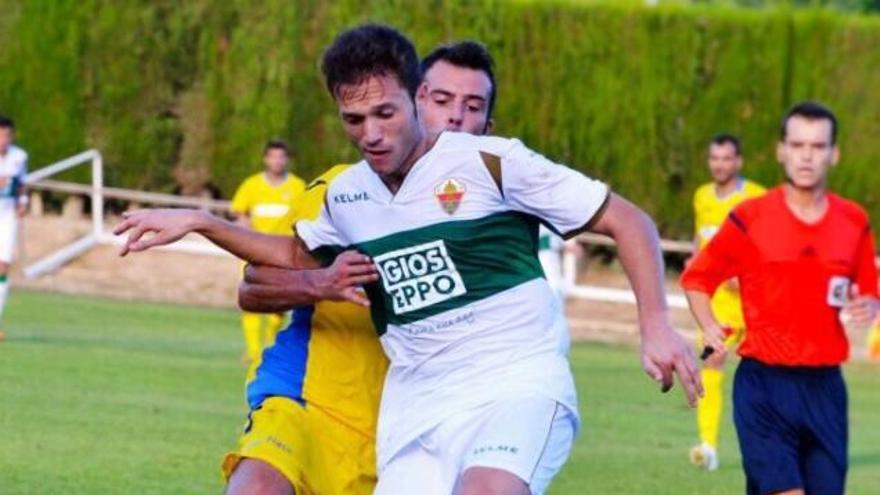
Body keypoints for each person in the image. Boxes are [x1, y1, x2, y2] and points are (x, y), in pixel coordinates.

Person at [114, 24, 701, 495]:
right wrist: (200, 221)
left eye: (385, 113)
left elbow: (628, 220)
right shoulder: (347, 196)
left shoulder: (492, 162)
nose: (371, 132)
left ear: (415, 97)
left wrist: (653, 324)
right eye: (354, 120)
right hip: (416, 406)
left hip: (514, 384)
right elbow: (290, 254)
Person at [223, 40, 499, 495]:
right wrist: (321, 282)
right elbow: (252, 288)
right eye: (440, 99)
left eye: (472, 107)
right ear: (415, 100)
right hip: (308, 401)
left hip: (413, 428)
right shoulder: (337, 191)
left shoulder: (495, 219)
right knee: (256, 488)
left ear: (489, 126)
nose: (453, 117)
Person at [681, 101, 879, 495]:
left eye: (818, 146)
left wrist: (870, 305)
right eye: (798, 144)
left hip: (825, 389)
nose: (807, 155)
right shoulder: (750, 217)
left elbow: (869, 287)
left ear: (833, 153)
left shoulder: (853, 221)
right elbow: (697, 278)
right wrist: (709, 327)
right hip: (765, 385)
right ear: (781, 151)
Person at [688, 134, 765, 470]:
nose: (720, 164)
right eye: (714, 158)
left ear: (739, 161)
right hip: (717, 307)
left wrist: (745, 272)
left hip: (758, 305)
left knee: (767, 376)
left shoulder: (756, 197)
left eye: (726, 158)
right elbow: (700, 240)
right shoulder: (702, 196)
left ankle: (769, 446)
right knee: (711, 363)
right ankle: (708, 446)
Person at [229, 139, 305, 373]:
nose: (277, 161)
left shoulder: (297, 187)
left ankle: (270, 347)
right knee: (250, 299)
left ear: (286, 160)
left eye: (281, 157)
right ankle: (252, 352)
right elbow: (238, 211)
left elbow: (304, 215)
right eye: (273, 156)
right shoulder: (252, 185)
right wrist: (244, 226)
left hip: (283, 255)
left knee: (278, 305)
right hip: (253, 251)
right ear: (266, 159)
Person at [0, 115, 28, 340]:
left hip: (7, 215)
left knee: (3, 267)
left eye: (7, 135)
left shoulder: (19, 157)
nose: (3, 140)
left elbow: (21, 183)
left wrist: (23, 202)